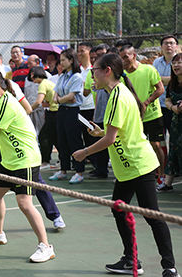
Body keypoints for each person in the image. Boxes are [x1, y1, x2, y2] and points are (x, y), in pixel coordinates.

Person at [72, 53, 179, 277]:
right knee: (119, 210)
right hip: (126, 168)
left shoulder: (118, 97)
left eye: (95, 71)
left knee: (153, 216)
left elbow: (111, 140)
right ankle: (131, 259)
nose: (92, 75)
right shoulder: (118, 93)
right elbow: (117, 133)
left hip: (139, 165)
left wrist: (84, 152)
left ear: (107, 71)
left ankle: (169, 267)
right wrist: (100, 132)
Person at [0, 57, 65, 234]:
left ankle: (54, 217)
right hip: (5, 142)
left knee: (31, 188)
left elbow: (25, 110)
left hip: (20, 145)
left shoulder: (9, 90)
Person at [119, 45, 166, 185]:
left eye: (125, 57)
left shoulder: (148, 69)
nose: (123, 61)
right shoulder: (122, 77)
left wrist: (146, 103)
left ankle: (161, 175)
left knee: (155, 145)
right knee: (137, 147)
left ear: (133, 56)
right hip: (135, 119)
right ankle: (140, 174)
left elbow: (160, 89)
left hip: (153, 116)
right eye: (120, 58)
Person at [49, 48, 86, 184]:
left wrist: (61, 98)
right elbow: (55, 95)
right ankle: (63, 170)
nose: (61, 63)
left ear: (71, 60)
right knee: (62, 140)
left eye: (64, 60)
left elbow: (72, 96)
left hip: (72, 111)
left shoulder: (76, 76)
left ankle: (79, 172)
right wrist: (61, 99)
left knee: (74, 141)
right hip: (61, 110)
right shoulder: (62, 76)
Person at [153, 35, 179, 181]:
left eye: (171, 43)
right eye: (165, 43)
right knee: (159, 141)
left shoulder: (179, 60)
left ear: (176, 46)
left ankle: (176, 169)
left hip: (175, 107)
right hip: (159, 106)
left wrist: (163, 79)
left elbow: (169, 79)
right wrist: (169, 79)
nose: (168, 46)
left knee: (176, 140)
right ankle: (162, 171)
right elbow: (154, 80)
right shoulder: (156, 62)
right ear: (161, 47)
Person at [83, 45, 111, 179]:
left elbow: (110, 138)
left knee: (109, 142)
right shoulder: (93, 76)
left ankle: (105, 170)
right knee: (98, 139)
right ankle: (100, 169)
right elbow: (86, 92)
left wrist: (84, 152)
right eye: (93, 57)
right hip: (99, 112)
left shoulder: (116, 90)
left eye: (100, 55)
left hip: (108, 113)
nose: (96, 59)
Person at [157, 54, 182, 193]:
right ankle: (167, 183)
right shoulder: (172, 82)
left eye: (179, 63)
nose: (176, 66)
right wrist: (173, 108)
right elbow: (167, 100)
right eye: (174, 63)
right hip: (176, 123)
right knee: (174, 151)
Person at [28, 66, 59, 170]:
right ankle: (64, 160)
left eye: (33, 74)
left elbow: (38, 101)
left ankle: (45, 162)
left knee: (43, 136)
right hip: (55, 111)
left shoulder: (43, 84)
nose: (31, 77)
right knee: (54, 138)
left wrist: (27, 111)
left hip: (54, 112)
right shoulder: (47, 83)